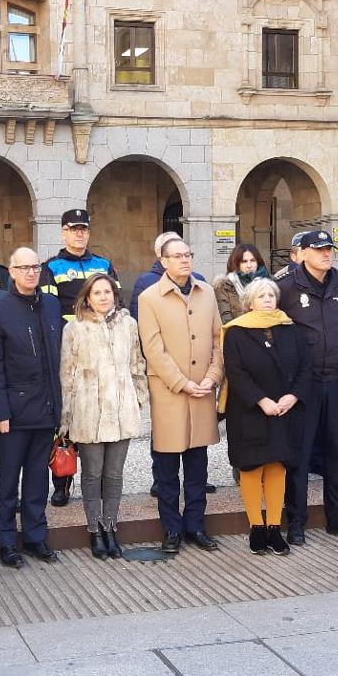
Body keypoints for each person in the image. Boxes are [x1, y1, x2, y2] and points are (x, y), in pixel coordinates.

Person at [276, 230, 338, 543]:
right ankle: (297, 522)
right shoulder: (285, 288)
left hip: (333, 381)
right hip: (301, 385)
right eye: (318, 250)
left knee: (336, 452)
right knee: (299, 455)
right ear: (302, 253)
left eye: (329, 249)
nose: (326, 254)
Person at [138, 237, 224, 553]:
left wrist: (213, 376)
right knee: (167, 468)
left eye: (188, 254)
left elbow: (219, 339)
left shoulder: (207, 293)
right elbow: (153, 349)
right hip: (170, 394)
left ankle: (196, 526)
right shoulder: (149, 298)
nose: (185, 260)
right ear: (163, 261)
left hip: (202, 391)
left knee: (198, 466)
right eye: (177, 256)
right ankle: (172, 529)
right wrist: (183, 382)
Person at [0, 247, 64, 568]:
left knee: (37, 481)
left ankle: (35, 537)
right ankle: (6, 541)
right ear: (11, 272)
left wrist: (59, 411)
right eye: (24, 267)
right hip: (11, 416)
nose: (31, 272)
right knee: (7, 483)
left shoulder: (52, 305)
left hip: (44, 411)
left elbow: (55, 359)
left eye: (35, 267)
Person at [60, 273, 149, 559]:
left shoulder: (129, 325)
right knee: (92, 474)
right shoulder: (74, 329)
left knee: (113, 475)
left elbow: (137, 364)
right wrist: (66, 416)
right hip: (89, 412)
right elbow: (67, 374)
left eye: (107, 292)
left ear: (115, 294)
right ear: (87, 297)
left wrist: (139, 399)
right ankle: (94, 529)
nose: (102, 297)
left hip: (121, 409)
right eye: (96, 293)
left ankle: (111, 526)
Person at [220, 278, 311, 556]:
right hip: (250, 409)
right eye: (261, 296)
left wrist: (292, 396)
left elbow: (306, 367)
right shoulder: (236, 332)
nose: (268, 299)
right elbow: (235, 372)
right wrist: (262, 400)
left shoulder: (291, 329)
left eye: (271, 294)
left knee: (277, 466)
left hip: (284, 408)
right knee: (252, 467)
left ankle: (274, 527)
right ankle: (256, 527)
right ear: (249, 302)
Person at [42, 209, 121, 507]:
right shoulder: (51, 267)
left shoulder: (103, 264)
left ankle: (97, 480)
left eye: (83, 229)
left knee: (97, 418)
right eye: (73, 229)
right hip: (69, 351)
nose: (79, 234)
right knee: (66, 420)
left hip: (102, 353)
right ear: (63, 232)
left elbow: (117, 302)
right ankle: (61, 482)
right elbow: (49, 309)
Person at [213, 244, 270, 324]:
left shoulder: (269, 284)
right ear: (236, 263)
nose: (249, 266)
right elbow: (226, 320)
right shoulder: (224, 286)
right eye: (244, 262)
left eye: (253, 261)